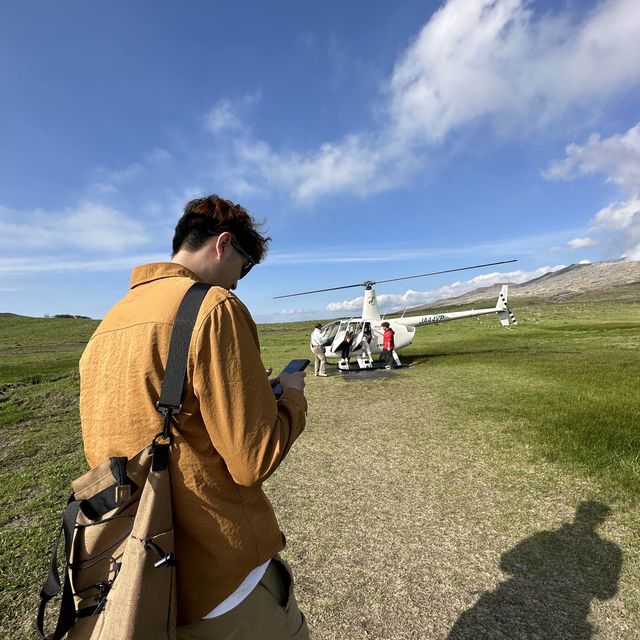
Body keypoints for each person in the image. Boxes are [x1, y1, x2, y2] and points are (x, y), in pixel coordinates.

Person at [79, 195, 309, 639]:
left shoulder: (108, 323)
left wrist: (241, 391)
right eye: (244, 266)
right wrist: (291, 399)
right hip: (220, 580)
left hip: (139, 574)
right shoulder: (215, 306)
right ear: (224, 244)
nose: (240, 282)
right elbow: (252, 460)